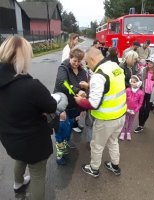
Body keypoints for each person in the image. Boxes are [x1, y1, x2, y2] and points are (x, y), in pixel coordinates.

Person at [0, 36, 57, 200]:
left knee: (19, 157)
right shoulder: (31, 86)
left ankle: (17, 183)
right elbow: (52, 106)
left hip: (10, 138)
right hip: (33, 142)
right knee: (38, 174)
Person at [75, 47, 126, 177]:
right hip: (120, 115)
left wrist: (80, 101)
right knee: (113, 142)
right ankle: (115, 166)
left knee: (97, 145)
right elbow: (109, 87)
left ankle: (94, 169)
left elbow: (93, 104)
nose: (87, 65)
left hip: (106, 119)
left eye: (87, 62)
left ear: (92, 59)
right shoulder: (114, 66)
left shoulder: (98, 76)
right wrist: (89, 86)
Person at [54, 48, 88, 142]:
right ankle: (61, 149)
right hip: (64, 105)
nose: (76, 63)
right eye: (74, 61)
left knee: (70, 125)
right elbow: (62, 83)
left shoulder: (82, 71)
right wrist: (77, 91)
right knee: (62, 129)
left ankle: (67, 141)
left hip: (75, 105)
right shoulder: (63, 68)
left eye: (79, 61)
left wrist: (83, 106)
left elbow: (85, 87)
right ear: (70, 57)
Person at [134, 54, 154, 133]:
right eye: (148, 61)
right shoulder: (144, 70)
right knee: (141, 109)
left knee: (147, 111)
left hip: (151, 95)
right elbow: (141, 80)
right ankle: (140, 125)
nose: (149, 63)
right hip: (143, 94)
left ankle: (142, 124)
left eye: (152, 62)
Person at [120, 75, 144, 140]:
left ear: (139, 83)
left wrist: (135, 110)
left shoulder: (141, 93)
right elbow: (124, 100)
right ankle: (122, 132)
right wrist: (125, 108)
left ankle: (128, 133)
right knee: (125, 121)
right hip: (126, 110)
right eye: (131, 81)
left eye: (134, 82)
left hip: (133, 111)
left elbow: (140, 103)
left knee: (131, 122)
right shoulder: (127, 90)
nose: (132, 83)